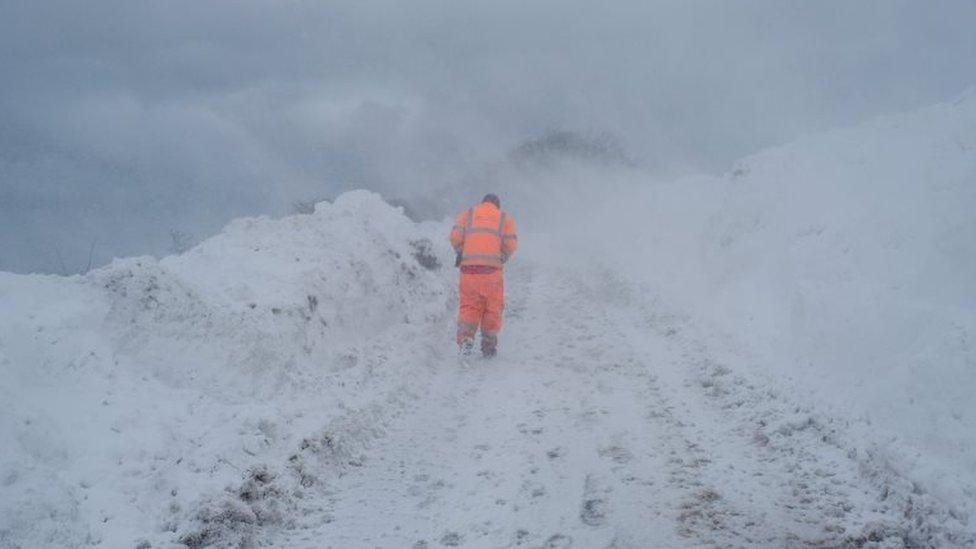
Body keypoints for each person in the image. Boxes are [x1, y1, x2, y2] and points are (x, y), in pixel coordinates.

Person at [449, 193, 518, 357]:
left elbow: (455, 237)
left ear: (483, 203)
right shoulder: (503, 218)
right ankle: (488, 346)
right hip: (491, 272)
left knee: (469, 306)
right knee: (492, 308)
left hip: (469, 271)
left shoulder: (468, 214)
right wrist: (503, 256)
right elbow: (511, 244)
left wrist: (461, 251)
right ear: (497, 205)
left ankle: (466, 340)